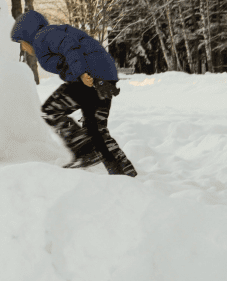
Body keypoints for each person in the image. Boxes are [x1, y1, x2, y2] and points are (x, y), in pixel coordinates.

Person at [10, 11, 137, 176]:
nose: (22, 48)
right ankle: (124, 174)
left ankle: (84, 150)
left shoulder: (42, 37)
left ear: (28, 34)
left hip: (89, 78)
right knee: (96, 130)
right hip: (104, 78)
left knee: (51, 110)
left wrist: (81, 73)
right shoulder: (51, 34)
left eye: (21, 42)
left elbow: (68, 44)